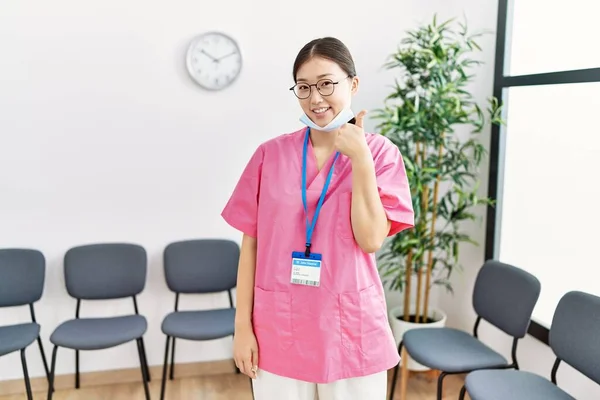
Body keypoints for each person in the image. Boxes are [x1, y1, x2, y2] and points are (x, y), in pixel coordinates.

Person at [221, 37, 415, 400]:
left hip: (350, 331)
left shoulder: (380, 154)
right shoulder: (269, 155)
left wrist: (360, 161)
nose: (316, 98)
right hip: (279, 328)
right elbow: (251, 246)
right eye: (304, 87)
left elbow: (372, 239)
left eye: (327, 83)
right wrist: (241, 327)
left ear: (353, 85)